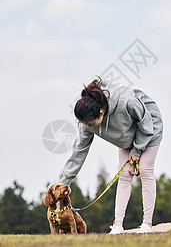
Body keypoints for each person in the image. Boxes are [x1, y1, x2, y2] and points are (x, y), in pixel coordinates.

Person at [59, 77, 163, 234]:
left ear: (101, 112)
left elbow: (146, 123)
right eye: (84, 124)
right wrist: (63, 184)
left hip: (150, 128)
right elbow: (79, 152)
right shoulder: (87, 122)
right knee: (125, 176)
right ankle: (118, 225)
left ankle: (147, 224)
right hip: (126, 137)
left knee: (145, 170)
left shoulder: (125, 101)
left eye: (89, 124)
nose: (87, 127)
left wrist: (137, 150)